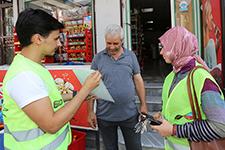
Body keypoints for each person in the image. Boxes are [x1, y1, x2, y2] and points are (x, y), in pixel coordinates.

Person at [2, 8, 101, 150]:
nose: (59, 44)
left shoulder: (34, 66)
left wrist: (76, 95)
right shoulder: (24, 76)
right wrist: (85, 90)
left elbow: (46, 98)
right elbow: (51, 125)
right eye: (55, 39)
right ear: (38, 39)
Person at [151, 26, 225, 150]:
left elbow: (220, 127)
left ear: (177, 48)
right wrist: (163, 117)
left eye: (164, 47)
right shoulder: (171, 77)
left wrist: (174, 130)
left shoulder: (202, 78)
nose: (161, 52)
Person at [87, 24, 148, 150]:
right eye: (108, 43)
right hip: (105, 116)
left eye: (116, 43)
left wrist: (143, 104)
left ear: (122, 41)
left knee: (135, 147)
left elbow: (138, 80)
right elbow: (90, 85)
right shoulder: (98, 58)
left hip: (129, 114)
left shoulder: (130, 56)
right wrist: (90, 111)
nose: (111, 47)